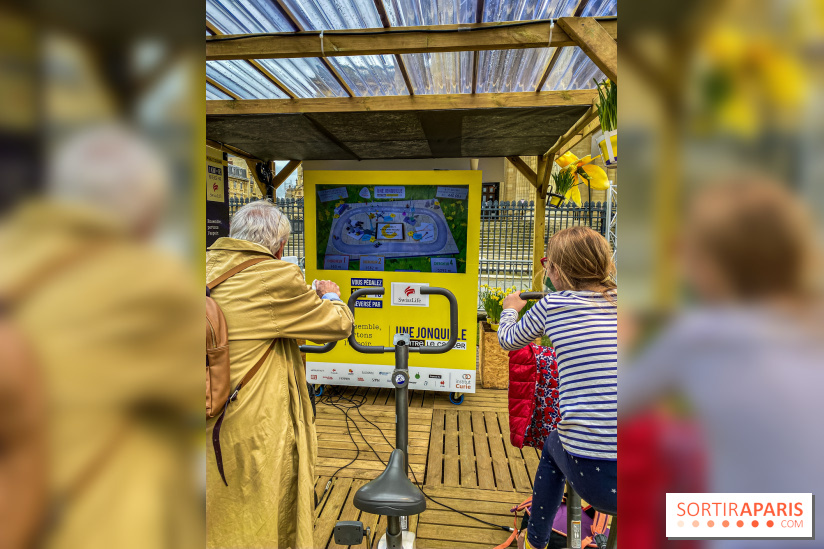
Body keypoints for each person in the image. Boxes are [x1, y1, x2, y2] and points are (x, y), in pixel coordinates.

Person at [206, 200, 354, 549]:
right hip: (248, 421)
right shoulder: (273, 277)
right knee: (256, 509)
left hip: (204, 408)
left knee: (213, 507)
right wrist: (330, 296)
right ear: (281, 246)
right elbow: (337, 325)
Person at [497, 226, 618, 549]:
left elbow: (509, 339)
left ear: (555, 271)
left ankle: (536, 540)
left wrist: (510, 308)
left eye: (546, 264)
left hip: (596, 478)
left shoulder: (553, 305)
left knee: (553, 444)